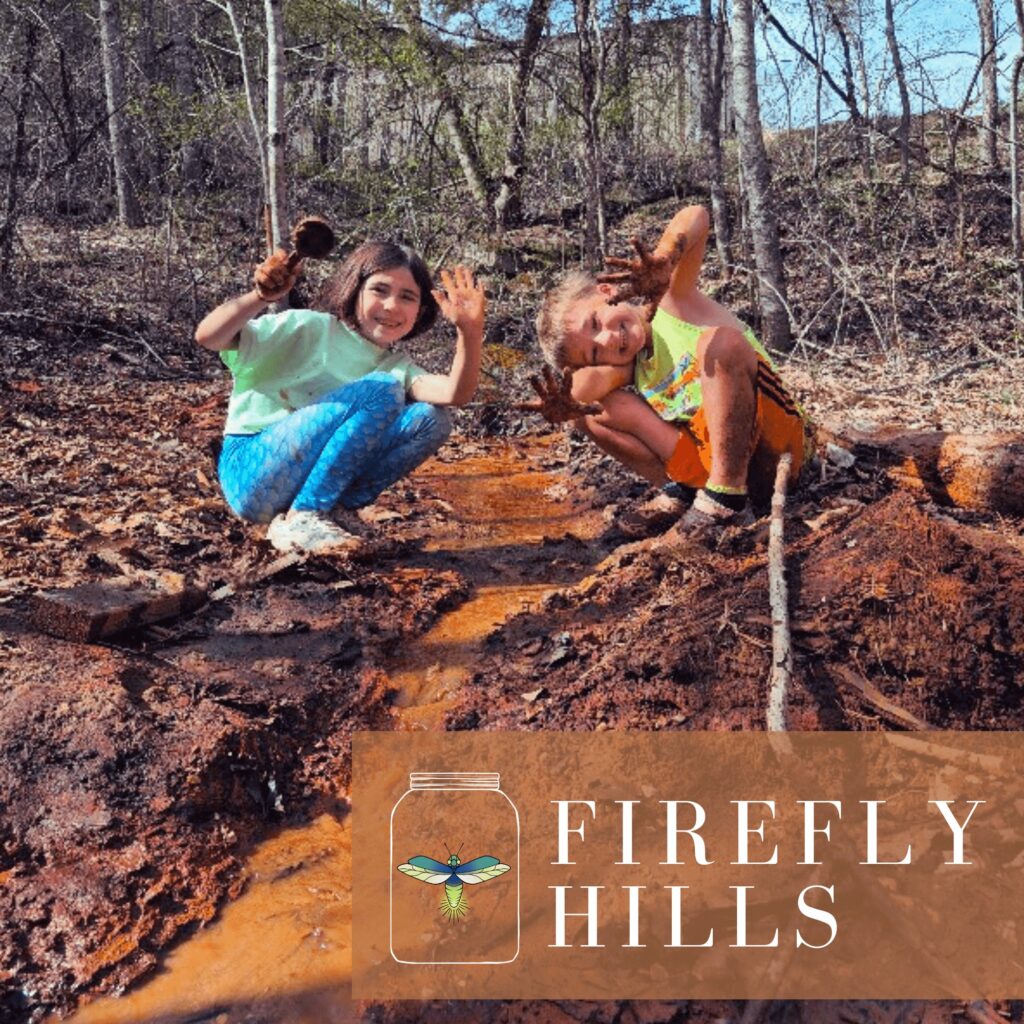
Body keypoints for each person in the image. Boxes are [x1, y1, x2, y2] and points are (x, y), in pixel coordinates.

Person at [530, 204, 805, 541]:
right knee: (591, 414)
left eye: (596, 322)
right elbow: (585, 392)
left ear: (606, 292)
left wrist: (665, 258)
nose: (608, 338)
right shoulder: (630, 366)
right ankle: (688, 490)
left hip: (778, 449)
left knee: (720, 344)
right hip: (728, 468)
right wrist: (566, 403)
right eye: (594, 351)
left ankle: (725, 499)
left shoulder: (672, 302)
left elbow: (697, 216)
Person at [195, 240, 485, 555]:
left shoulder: (397, 366)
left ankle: (331, 511)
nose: (391, 306)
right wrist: (260, 297)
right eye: (379, 290)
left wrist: (469, 332)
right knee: (382, 390)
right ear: (354, 289)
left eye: (407, 297)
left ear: (421, 311)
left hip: (300, 484)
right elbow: (209, 336)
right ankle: (306, 515)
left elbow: (455, 394)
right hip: (251, 472)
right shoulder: (308, 327)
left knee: (432, 419)